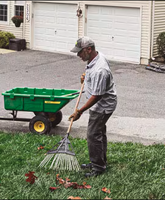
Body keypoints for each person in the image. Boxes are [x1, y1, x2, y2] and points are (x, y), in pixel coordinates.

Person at [69, 36, 117, 178]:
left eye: (80, 52)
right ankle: (100, 161)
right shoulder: (95, 57)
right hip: (100, 102)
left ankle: (98, 168)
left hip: (102, 106)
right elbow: (92, 73)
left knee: (93, 135)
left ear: (89, 49)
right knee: (99, 133)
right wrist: (86, 76)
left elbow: (97, 96)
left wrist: (80, 111)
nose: (78, 55)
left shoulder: (100, 70)